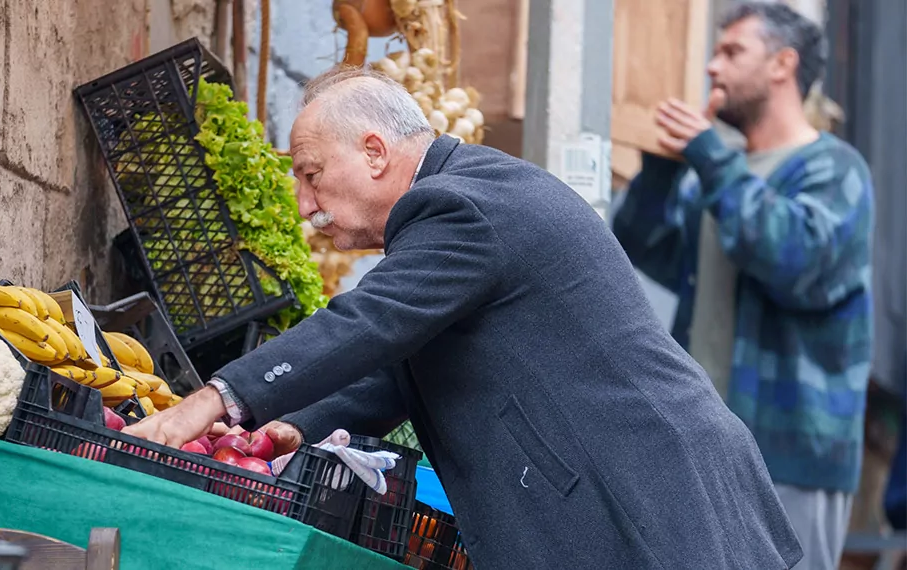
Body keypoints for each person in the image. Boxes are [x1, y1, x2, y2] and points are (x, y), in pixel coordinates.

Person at [123, 65, 803, 568]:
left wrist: (217, 401)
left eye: (310, 173)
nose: (306, 203)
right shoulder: (467, 195)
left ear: (374, 152)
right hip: (651, 488)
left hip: (643, 498)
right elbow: (399, 368)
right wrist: (294, 425)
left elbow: (368, 323)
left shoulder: (458, 207)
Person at [611, 3, 874, 570]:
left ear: (783, 64)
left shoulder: (835, 169)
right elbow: (639, 249)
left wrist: (706, 155)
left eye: (732, 52)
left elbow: (792, 261)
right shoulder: (717, 172)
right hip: (703, 445)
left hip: (792, 458)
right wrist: (662, 165)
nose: (711, 67)